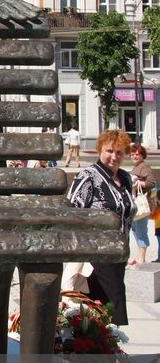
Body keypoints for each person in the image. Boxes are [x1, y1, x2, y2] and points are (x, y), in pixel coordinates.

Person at [67, 129, 134, 325]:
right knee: (115, 300)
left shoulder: (125, 178)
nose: (114, 156)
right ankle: (113, 342)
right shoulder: (89, 175)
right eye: (109, 151)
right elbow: (73, 211)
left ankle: (100, 345)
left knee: (100, 302)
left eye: (119, 152)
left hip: (120, 252)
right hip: (97, 251)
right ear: (100, 150)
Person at [128, 142, 156, 266]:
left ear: (142, 155)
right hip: (136, 204)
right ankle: (140, 256)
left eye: (137, 154)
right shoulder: (137, 167)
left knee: (140, 230)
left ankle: (142, 257)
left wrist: (138, 184)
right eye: (132, 154)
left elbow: (151, 182)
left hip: (141, 204)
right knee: (135, 229)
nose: (134, 156)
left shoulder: (144, 167)